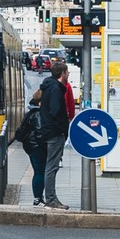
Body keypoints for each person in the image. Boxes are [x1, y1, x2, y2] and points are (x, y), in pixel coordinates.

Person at [39, 61, 72, 210]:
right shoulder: (55, 89)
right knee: (52, 167)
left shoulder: (50, 86)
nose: (69, 74)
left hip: (50, 131)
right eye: (67, 72)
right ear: (62, 74)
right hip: (54, 132)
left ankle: (51, 198)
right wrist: (63, 128)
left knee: (51, 166)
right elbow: (55, 112)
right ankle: (51, 200)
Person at [15, 89, 47, 206]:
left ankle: (38, 197)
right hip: (36, 147)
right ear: (40, 102)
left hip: (31, 146)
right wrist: (45, 146)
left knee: (38, 171)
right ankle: (38, 198)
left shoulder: (31, 112)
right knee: (40, 172)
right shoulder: (38, 114)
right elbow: (40, 133)